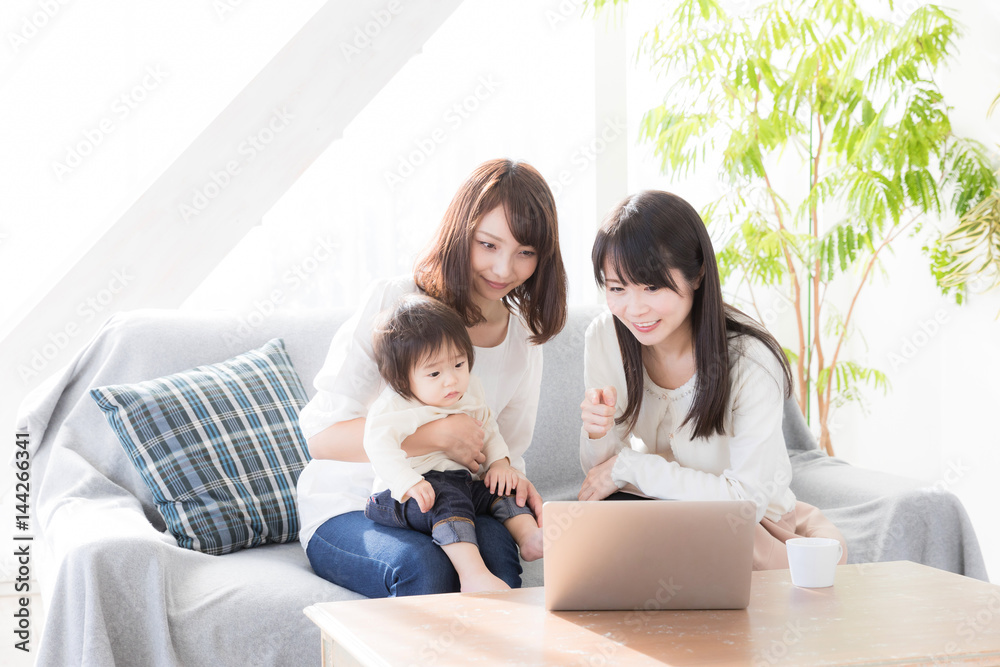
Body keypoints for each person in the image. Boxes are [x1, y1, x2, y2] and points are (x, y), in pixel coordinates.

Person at [297, 158, 567, 597]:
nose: (503, 269)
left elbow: (503, 455)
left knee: (499, 562)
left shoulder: (522, 341)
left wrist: (511, 479)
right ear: (462, 232)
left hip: (454, 499)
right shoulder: (396, 302)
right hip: (355, 507)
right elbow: (321, 438)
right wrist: (438, 435)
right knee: (427, 569)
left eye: (525, 253)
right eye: (488, 244)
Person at [578, 190, 847, 570]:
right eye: (617, 288)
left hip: (748, 526)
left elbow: (744, 505)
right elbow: (600, 474)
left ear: (698, 273)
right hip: (661, 511)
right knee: (599, 532)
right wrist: (597, 432)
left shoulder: (750, 360)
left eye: (652, 287)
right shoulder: (605, 336)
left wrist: (633, 468)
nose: (634, 309)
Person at [363, 295, 543, 592]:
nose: (451, 381)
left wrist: (499, 463)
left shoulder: (468, 389)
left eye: (459, 364)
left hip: (461, 483)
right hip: (399, 496)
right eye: (434, 373)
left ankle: (530, 538)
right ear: (402, 379)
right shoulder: (395, 406)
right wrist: (408, 482)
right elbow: (378, 447)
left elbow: (486, 426)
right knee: (446, 496)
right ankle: (472, 574)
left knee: (501, 486)